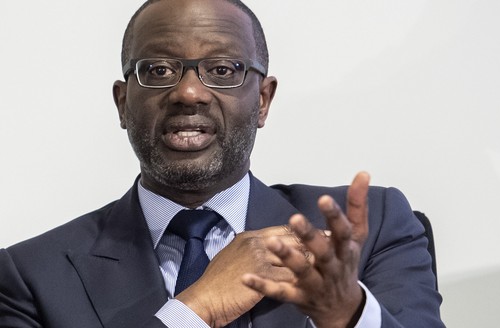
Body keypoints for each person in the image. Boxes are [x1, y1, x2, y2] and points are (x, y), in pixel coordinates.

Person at [0, 0, 444, 327]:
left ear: (264, 100)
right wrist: (198, 307)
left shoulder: (369, 229)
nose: (188, 92)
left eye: (224, 69)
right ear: (122, 103)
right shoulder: (31, 277)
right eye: (157, 70)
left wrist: (345, 312)